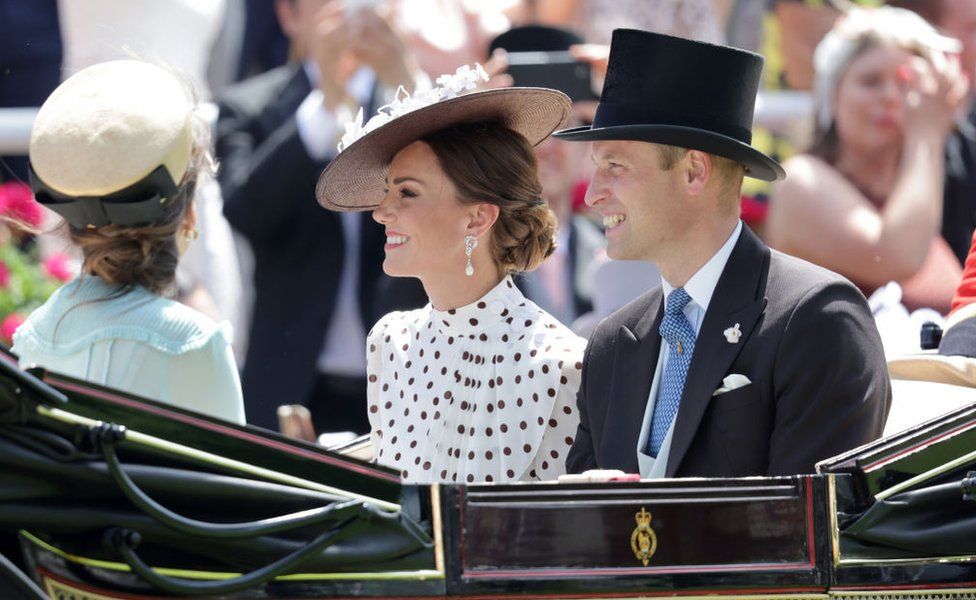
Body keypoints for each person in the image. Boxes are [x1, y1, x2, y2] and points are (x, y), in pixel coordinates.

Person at [558, 29, 890, 478]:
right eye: (596, 168)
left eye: (615, 167)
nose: (594, 194)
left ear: (694, 171)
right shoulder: (611, 344)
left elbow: (807, 531)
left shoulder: (818, 319)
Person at [316, 69, 586, 483]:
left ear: (477, 218)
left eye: (406, 193)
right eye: (387, 191)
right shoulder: (390, 342)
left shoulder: (561, 364)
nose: (381, 212)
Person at [215, 0, 426, 433]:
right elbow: (246, 212)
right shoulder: (250, 106)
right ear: (290, 16)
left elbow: (457, 193)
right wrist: (327, 105)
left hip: (407, 381)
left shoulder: (410, 99)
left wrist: (406, 81)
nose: (349, 15)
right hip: (292, 383)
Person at [12, 60, 245, 424]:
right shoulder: (193, 342)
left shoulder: (33, 336)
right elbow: (234, 477)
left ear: (72, 227)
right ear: (189, 214)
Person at [765, 7, 968, 315]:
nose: (890, 96)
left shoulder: (923, 189)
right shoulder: (801, 181)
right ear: (833, 95)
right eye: (871, 81)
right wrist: (926, 134)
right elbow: (894, 257)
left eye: (906, 83)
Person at [487, 25, 606, 326]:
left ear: (588, 141)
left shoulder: (616, 252)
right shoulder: (463, 253)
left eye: (564, 126)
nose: (548, 144)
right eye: (529, 129)